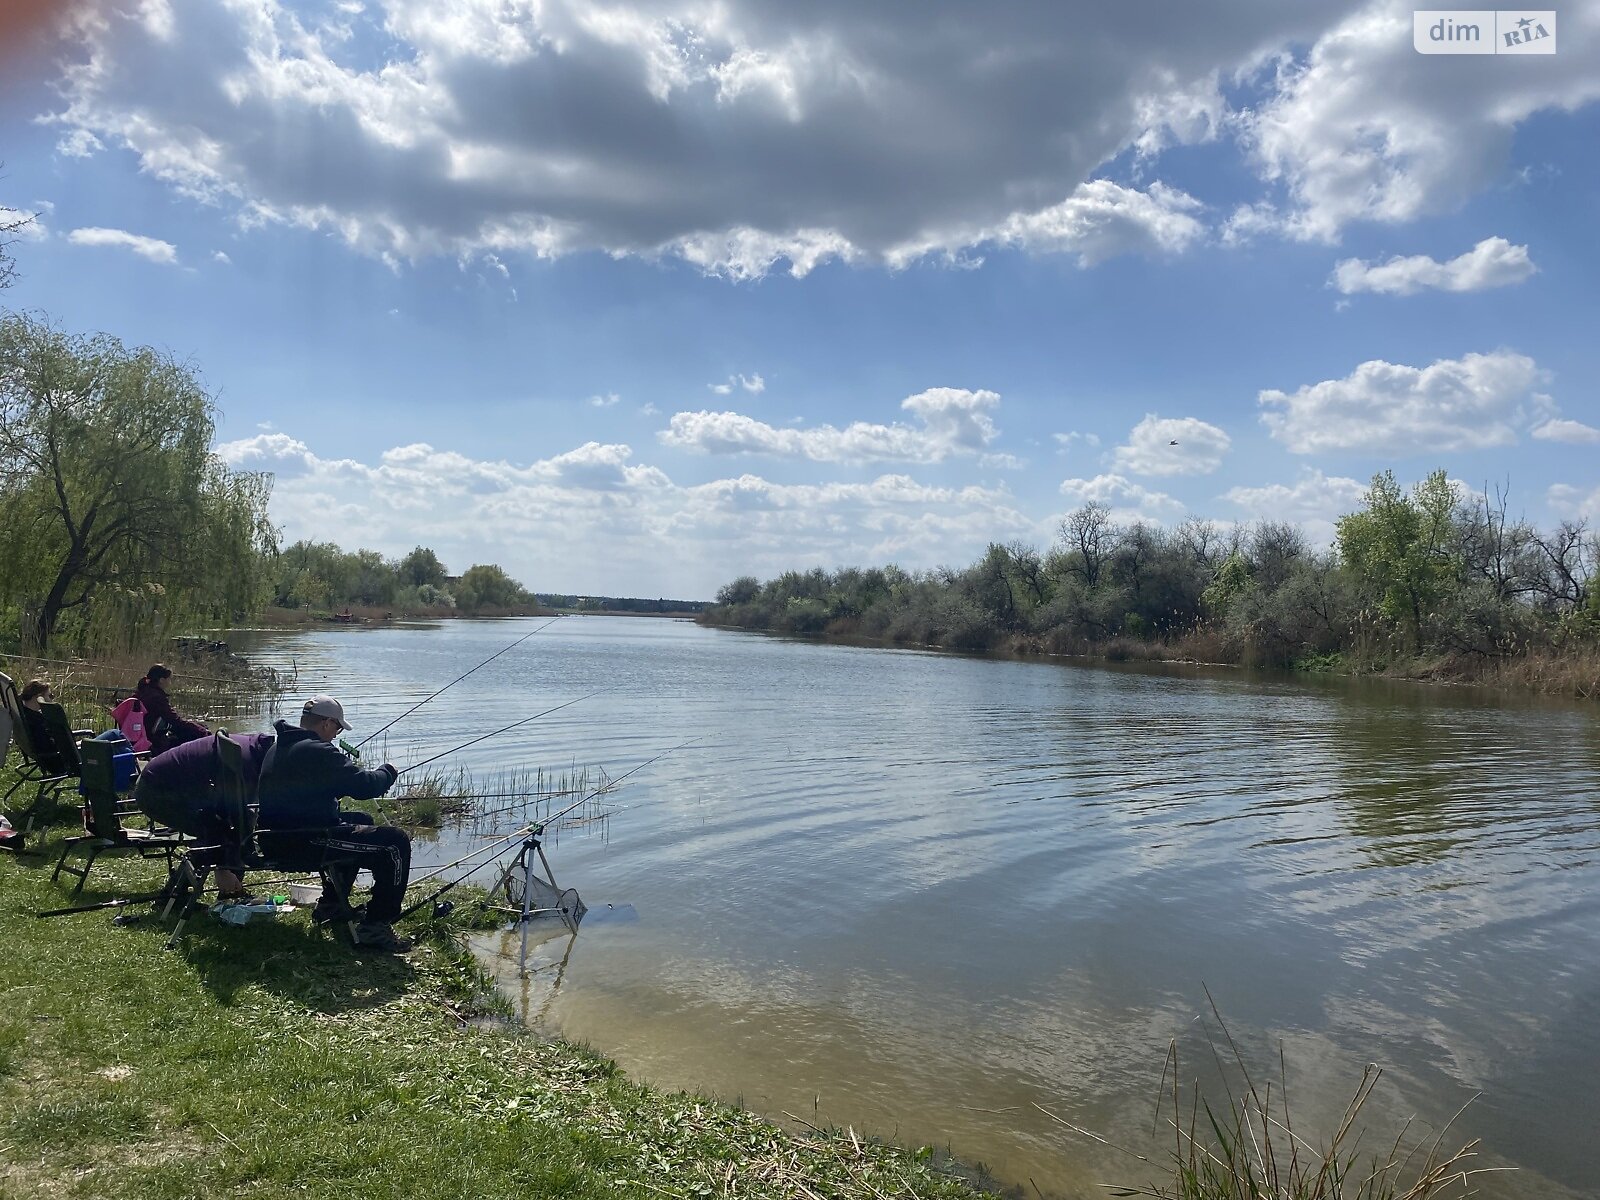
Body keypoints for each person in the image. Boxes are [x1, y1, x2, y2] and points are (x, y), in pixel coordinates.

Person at [255, 696, 412, 952]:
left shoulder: (283, 746)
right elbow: (365, 785)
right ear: (327, 723)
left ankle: (332, 905)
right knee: (395, 842)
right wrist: (388, 771)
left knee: (362, 821)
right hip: (304, 840)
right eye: (338, 729)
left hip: (279, 835)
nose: (336, 735)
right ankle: (375, 927)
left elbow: (309, 788)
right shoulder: (318, 751)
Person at [134, 731, 275, 898]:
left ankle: (232, 892)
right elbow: (219, 816)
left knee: (231, 832)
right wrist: (222, 867)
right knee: (212, 837)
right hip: (154, 791)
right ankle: (174, 896)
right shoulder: (244, 765)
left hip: (169, 784)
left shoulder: (252, 747)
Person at [135, 664, 209, 753]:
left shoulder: (142, 692)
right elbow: (174, 720)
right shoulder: (157, 698)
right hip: (154, 741)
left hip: (145, 734)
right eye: (169, 679)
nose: (170, 682)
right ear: (162, 680)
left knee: (198, 727)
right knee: (196, 733)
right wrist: (201, 730)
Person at [17, 679, 69, 775]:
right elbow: (48, 746)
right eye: (50, 696)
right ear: (39, 697)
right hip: (61, 762)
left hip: (51, 757)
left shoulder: (23, 713)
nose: (51, 699)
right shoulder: (37, 722)